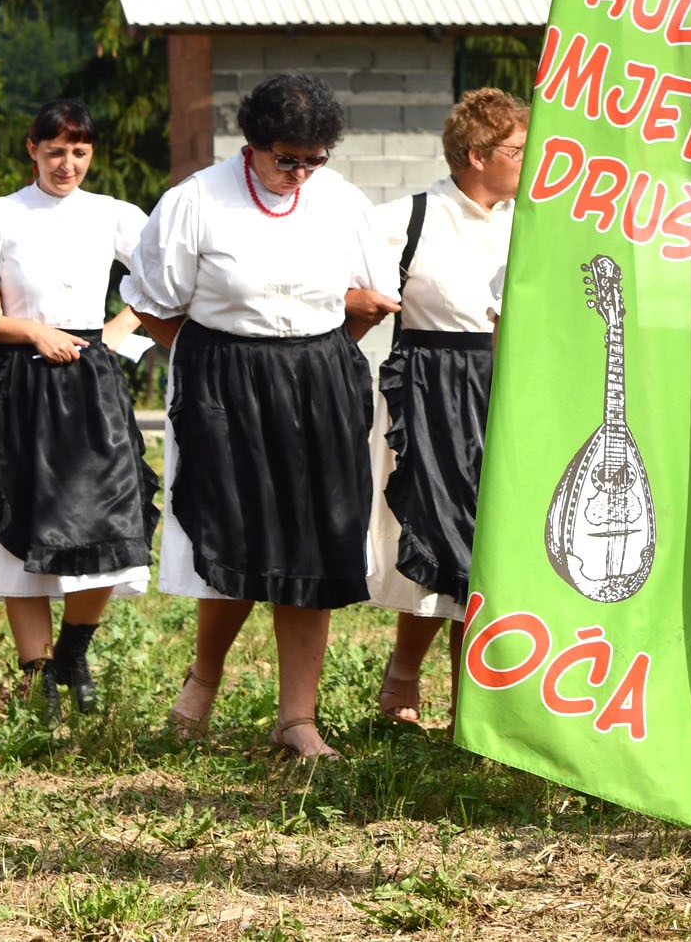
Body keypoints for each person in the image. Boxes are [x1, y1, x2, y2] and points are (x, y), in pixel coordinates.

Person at [127, 72, 394, 762]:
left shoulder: (339, 201)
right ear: (252, 145)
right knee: (235, 535)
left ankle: (296, 717)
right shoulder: (195, 201)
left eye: (314, 159)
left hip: (320, 376)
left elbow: (372, 297)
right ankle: (201, 686)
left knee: (316, 540)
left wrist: (318, 358)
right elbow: (155, 303)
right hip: (225, 377)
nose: (300, 172)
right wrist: (219, 365)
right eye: (287, 158)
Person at [0, 100, 154, 715]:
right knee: (25, 516)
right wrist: (31, 332)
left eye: (80, 152)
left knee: (111, 515)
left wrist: (117, 328)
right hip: (18, 381)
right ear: (31, 149)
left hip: (90, 380)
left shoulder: (112, 214)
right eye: (56, 151)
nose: (67, 164)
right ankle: (37, 673)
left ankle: (73, 652)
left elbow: (164, 275)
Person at [363, 88, 526, 726]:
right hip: (431, 385)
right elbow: (347, 287)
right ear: (477, 154)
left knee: (490, 543)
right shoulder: (407, 216)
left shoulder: (532, 220)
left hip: (508, 386)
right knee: (435, 535)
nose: (528, 159)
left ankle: (472, 704)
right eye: (516, 149)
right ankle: (405, 673)